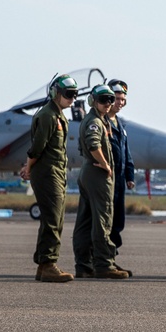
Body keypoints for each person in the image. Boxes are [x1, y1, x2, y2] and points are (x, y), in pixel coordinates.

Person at [21, 74, 79, 283]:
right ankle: (48, 264)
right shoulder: (48, 115)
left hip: (55, 171)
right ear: (56, 93)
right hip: (47, 173)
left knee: (54, 218)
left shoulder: (58, 115)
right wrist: (28, 168)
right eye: (69, 94)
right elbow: (37, 147)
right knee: (53, 218)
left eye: (75, 95)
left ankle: (43, 265)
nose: (72, 99)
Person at [72, 85, 128, 279]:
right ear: (93, 101)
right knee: (103, 219)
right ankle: (104, 264)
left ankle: (84, 264)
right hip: (97, 173)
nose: (108, 104)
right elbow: (93, 143)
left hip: (89, 172)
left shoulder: (99, 120)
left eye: (110, 100)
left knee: (86, 220)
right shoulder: (96, 121)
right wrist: (105, 164)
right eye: (104, 100)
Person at [106, 79, 136, 276]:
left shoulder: (119, 124)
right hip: (106, 181)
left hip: (119, 182)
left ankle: (111, 258)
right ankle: (102, 260)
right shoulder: (101, 122)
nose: (120, 102)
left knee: (117, 222)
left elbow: (126, 153)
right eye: (117, 98)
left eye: (123, 99)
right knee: (104, 222)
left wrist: (129, 175)